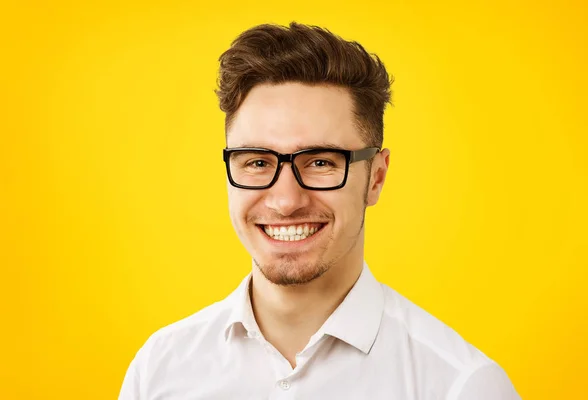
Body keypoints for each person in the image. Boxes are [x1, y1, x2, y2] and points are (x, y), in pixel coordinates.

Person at [119, 22, 520, 399]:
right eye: (258, 162)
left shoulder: (460, 386)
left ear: (376, 178)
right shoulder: (159, 371)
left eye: (322, 162)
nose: (286, 200)